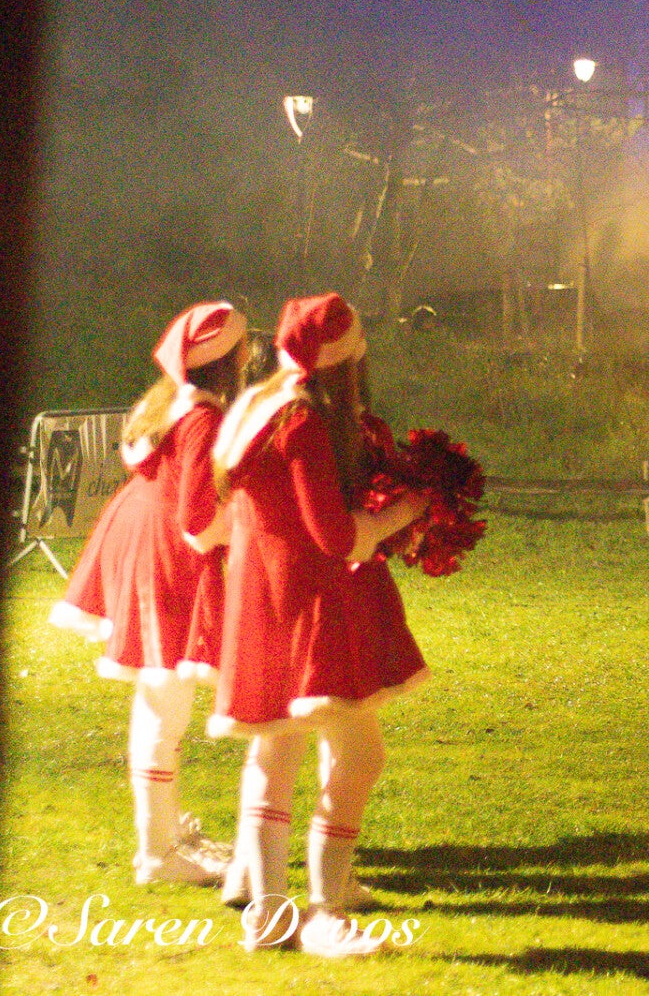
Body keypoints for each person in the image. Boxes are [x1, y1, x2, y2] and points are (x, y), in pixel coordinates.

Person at [208, 293, 426, 957]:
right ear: (345, 360)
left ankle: (269, 915)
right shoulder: (302, 421)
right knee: (359, 755)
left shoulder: (258, 403)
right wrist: (407, 509)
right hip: (309, 603)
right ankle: (324, 909)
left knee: (274, 754)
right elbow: (333, 535)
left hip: (262, 598)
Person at [50, 302, 251, 886]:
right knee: (165, 703)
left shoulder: (165, 402)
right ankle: (158, 854)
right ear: (229, 358)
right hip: (165, 556)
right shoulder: (202, 417)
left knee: (161, 701)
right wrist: (245, 525)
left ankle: (166, 834)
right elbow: (197, 519)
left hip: (142, 538)